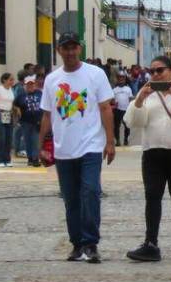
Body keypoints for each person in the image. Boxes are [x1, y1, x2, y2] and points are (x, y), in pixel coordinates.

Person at [41, 32, 116, 264]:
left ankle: (91, 242)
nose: (70, 52)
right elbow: (47, 114)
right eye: (66, 48)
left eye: (74, 47)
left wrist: (110, 141)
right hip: (63, 148)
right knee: (70, 198)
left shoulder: (95, 74)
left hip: (91, 145)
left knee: (90, 191)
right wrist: (41, 145)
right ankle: (76, 244)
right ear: (59, 50)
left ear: (80, 49)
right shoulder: (52, 79)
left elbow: (105, 108)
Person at [124, 56, 171, 263]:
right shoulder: (147, 93)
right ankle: (151, 243)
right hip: (152, 152)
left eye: (160, 70)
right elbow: (135, 122)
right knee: (152, 197)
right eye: (152, 71)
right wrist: (140, 100)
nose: (156, 75)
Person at [13, 76, 44, 167]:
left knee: (35, 140)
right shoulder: (21, 95)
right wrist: (17, 110)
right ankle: (30, 158)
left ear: (34, 84)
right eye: (28, 84)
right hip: (25, 121)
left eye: (32, 84)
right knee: (27, 140)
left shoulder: (39, 93)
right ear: (25, 85)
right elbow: (14, 105)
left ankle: (35, 159)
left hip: (37, 121)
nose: (30, 86)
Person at [0, 73, 16, 166]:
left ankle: (7, 160)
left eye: (13, 80)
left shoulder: (11, 90)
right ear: (4, 80)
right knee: (2, 137)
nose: (12, 81)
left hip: (9, 114)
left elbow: (11, 103)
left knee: (9, 137)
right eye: (10, 79)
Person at [112, 75, 134, 147]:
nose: (121, 81)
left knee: (127, 126)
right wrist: (113, 103)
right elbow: (112, 100)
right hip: (117, 110)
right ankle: (117, 140)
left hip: (126, 110)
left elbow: (131, 98)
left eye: (122, 79)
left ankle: (126, 139)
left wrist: (131, 107)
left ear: (125, 81)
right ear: (117, 80)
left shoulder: (128, 89)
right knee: (116, 126)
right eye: (120, 79)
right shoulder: (114, 90)